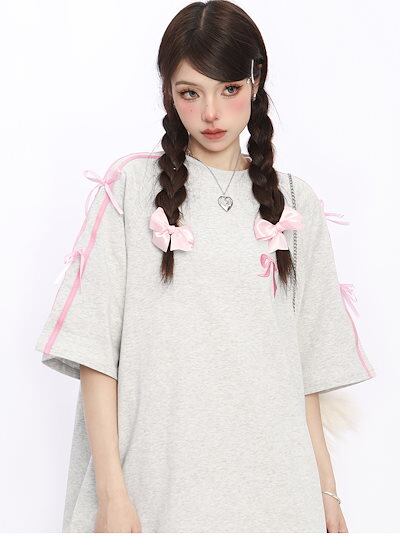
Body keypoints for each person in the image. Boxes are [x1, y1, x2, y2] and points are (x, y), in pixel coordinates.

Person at [35, 0, 376, 533]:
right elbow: (95, 353)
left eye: (228, 89)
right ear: (168, 94)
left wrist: (327, 493)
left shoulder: (295, 203)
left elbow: (304, 371)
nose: (211, 113)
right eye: (190, 93)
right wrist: (111, 494)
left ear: (256, 82)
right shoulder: (130, 190)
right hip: (157, 492)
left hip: (280, 499)